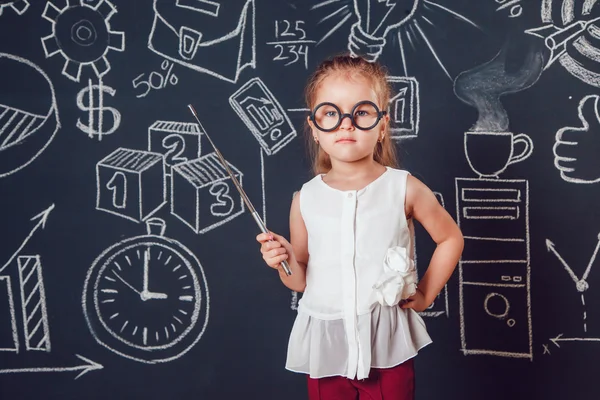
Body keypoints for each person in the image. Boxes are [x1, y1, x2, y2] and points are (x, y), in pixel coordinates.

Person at [256, 53, 464, 400]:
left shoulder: (405, 187)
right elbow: (300, 279)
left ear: (383, 125)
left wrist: (426, 293)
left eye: (362, 112)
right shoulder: (304, 198)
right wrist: (283, 260)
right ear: (315, 129)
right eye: (330, 113)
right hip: (327, 347)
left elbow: (450, 238)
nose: (346, 123)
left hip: (386, 347)